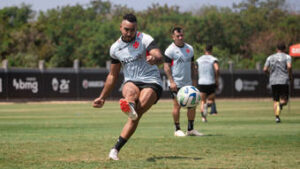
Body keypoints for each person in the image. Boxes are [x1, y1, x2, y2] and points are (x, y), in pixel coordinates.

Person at [93, 13, 163, 160]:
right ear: (120, 28)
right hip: (131, 81)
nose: (129, 33)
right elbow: (113, 75)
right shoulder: (115, 49)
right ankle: (129, 105)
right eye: (126, 29)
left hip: (152, 81)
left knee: (136, 113)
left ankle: (115, 148)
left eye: (132, 30)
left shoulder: (145, 39)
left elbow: (158, 55)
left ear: (136, 28)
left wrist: (154, 58)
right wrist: (102, 97)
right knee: (130, 91)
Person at [164, 27, 203, 137]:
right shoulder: (170, 50)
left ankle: (190, 129)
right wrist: (171, 82)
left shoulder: (189, 48)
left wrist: (194, 81)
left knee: (192, 106)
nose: (180, 38)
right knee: (177, 106)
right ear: (173, 37)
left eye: (182, 35)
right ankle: (177, 129)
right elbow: (166, 67)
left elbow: (192, 66)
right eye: (178, 36)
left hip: (189, 83)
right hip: (176, 83)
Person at [263, 42, 292, 123]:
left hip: (273, 81)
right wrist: (290, 75)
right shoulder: (287, 57)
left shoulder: (270, 57)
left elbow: (265, 69)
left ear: (277, 49)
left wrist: (269, 74)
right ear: (284, 49)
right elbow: (289, 66)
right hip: (284, 80)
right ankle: (280, 105)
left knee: (275, 100)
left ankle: (277, 117)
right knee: (284, 100)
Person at [195, 44, 219, 122]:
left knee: (202, 101)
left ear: (204, 50)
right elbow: (217, 69)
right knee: (211, 100)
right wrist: (216, 79)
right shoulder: (213, 59)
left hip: (201, 82)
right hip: (211, 82)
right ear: (211, 51)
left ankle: (204, 118)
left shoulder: (199, 59)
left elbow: (195, 69)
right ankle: (207, 105)